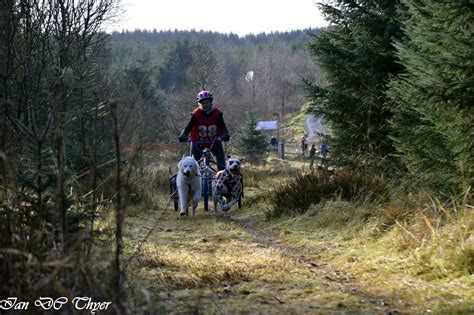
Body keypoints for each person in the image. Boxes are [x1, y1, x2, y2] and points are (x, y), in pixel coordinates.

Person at [179, 90, 230, 171]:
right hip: (198, 142)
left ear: (211, 102)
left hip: (214, 142)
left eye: (207, 102)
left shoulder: (217, 113)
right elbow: (189, 127)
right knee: (192, 165)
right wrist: (183, 135)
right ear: (200, 103)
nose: (205, 105)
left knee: (221, 167)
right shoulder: (196, 114)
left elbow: (223, 127)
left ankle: (221, 181)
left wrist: (225, 135)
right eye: (203, 103)